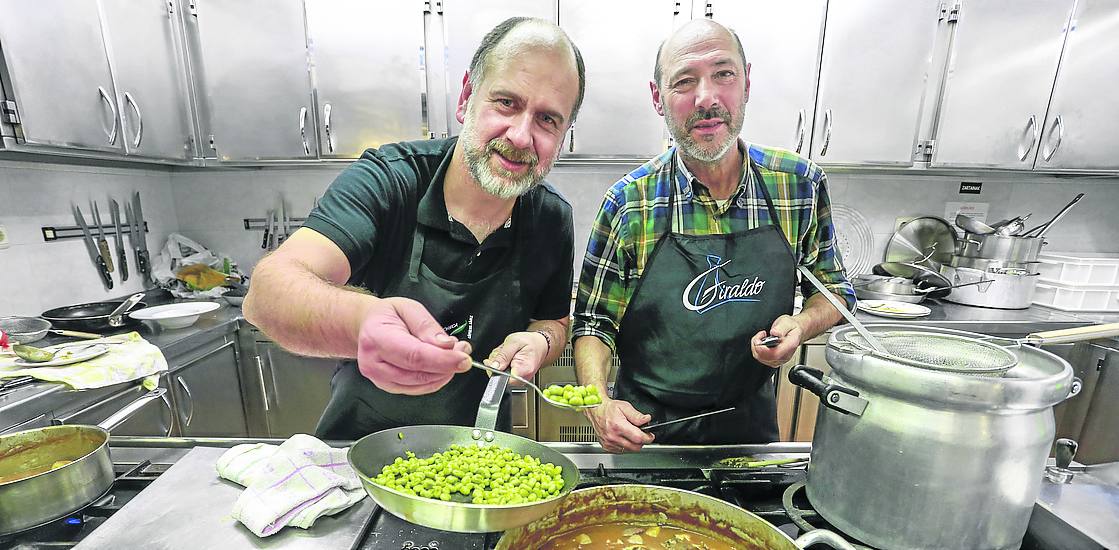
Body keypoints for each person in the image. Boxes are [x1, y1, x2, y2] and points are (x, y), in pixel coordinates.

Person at [243, 17, 585, 440]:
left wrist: (541, 343)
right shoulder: (387, 181)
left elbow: (552, 320)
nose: (520, 136)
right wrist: (365, 319)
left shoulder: (552, 219)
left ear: (565, 132)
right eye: (506, 103)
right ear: (466, 98)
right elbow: (267, 295)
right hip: (358, 453)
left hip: (477, 457)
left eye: (548, 119)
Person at [572, 19, 855, 452]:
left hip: (750, 429)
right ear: (658, 98)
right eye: (684, 82)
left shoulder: (798, 185)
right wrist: (598, 404)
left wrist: (800, 325)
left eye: (724, 74)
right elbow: (595, 322)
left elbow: (833, 292)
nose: (707, 98)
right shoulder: (630, 202)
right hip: (647, 432)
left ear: (746, 84)